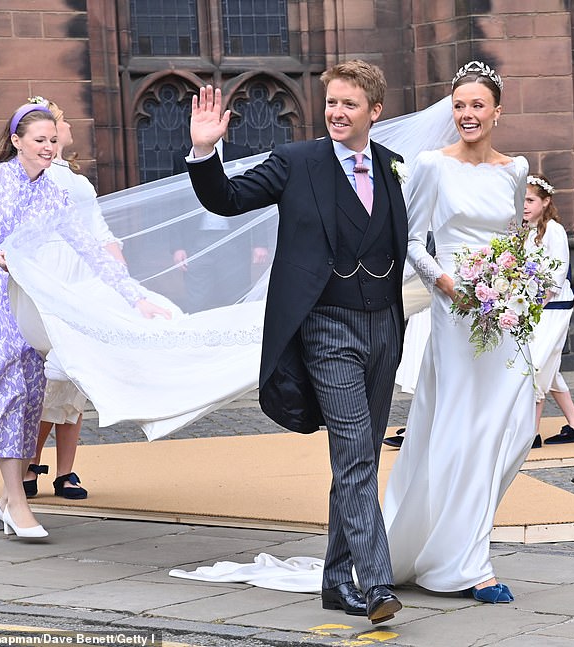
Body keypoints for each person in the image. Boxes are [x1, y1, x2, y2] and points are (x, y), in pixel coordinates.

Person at [183, 60, 405, 624]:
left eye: (349, 104)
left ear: (374, 112)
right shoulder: (296, 162)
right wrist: (205, 153)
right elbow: (226, 200)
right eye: (331, 102)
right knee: (355, 453)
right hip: (325, 327)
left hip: (383, 327)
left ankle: (335, 581)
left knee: (355, 457)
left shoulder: (388, 166)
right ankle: (377, 583)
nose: (336, 112)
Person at [0, 101, 167, 540]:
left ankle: (9, 499)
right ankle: (18, 500)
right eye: (38, 140)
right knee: (4, 389)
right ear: (16, 141)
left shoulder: (55, 193)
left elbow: (89, 249)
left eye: (51, 139)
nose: (47, 147)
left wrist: (135, 297)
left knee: (28, 393)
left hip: (30, 300)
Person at [381, 61, 532, 604]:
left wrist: (518, 285)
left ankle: (456, 545)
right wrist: (448, 285)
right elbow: (414, 241)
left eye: (477, 105)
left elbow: (515, 240)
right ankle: (465, 564)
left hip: (505, 313)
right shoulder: (431, 165)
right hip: (455, 310)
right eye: (459, 106)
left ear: (497, 111)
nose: (467, 115)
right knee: (459, 428)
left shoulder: (515, 170)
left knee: (509, 427)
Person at [22, 97, 128, 500]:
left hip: (82, 285)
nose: (64, 133)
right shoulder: (31, 177)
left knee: (74, 380)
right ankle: (30, 462)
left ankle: (65, 471)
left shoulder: (78, 182)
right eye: (58, 126)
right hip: (48, 283)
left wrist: (118, 274)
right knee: (49, 380)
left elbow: (98, 231)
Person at [522, 173, 574, 447]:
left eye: (530, 200)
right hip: (532, 307)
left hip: (553, 306)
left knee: (537, 364)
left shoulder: (554, 230)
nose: (524, 205)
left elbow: (559, 270)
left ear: (545, 201)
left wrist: (540, 296)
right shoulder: (524, 230)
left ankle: (531, 432)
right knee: (548, 365)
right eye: (522, 200)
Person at [169, 140, 263, 312]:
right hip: (196, 241)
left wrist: (259, 243)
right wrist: (177, 246)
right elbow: (177, 203)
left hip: (234, 238)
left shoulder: (241, 153)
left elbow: (254, 195)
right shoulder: (181, 156)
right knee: (197, 300)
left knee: (236, 297)